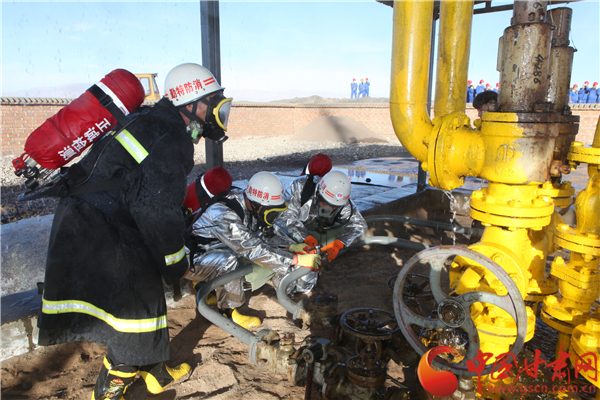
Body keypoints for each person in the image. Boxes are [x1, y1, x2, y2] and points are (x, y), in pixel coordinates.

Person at [36, 62, 233, 400]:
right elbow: (157, 210)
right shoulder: (169, 138)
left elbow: (144, 196)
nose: (219, 110)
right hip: (101, 229)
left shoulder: (152, 121)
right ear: (191, 103)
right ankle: (110, 389)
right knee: (136, 314)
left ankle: (156, 372)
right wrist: (176, 262)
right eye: (212, 101)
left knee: (147, 296)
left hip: (91, 218)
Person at [186, 171, 322, 329]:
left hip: (216, 249)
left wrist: (289, 246)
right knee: (229, 261)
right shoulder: (224, 215)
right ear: (258, 205)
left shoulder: (248, 203)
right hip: (193, 259)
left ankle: (205, 285)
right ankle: (228, 310)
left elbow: (261, 235)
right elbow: (253, 249)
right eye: (270, 211)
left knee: (232, 257)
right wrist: (295, 260)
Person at [275, 169, 368, 295]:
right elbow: (283, 216)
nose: (328, 209)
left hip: (321, 231)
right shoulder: (301, 188)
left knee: (308, 271)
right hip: (296, 228)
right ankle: (284, 277)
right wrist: (305, 238)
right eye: (325, 203)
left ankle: (306, 285)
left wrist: (339, 243)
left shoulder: (343, 203)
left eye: (334, 207)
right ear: (318, 194)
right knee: (282, 243)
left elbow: (359, 226)